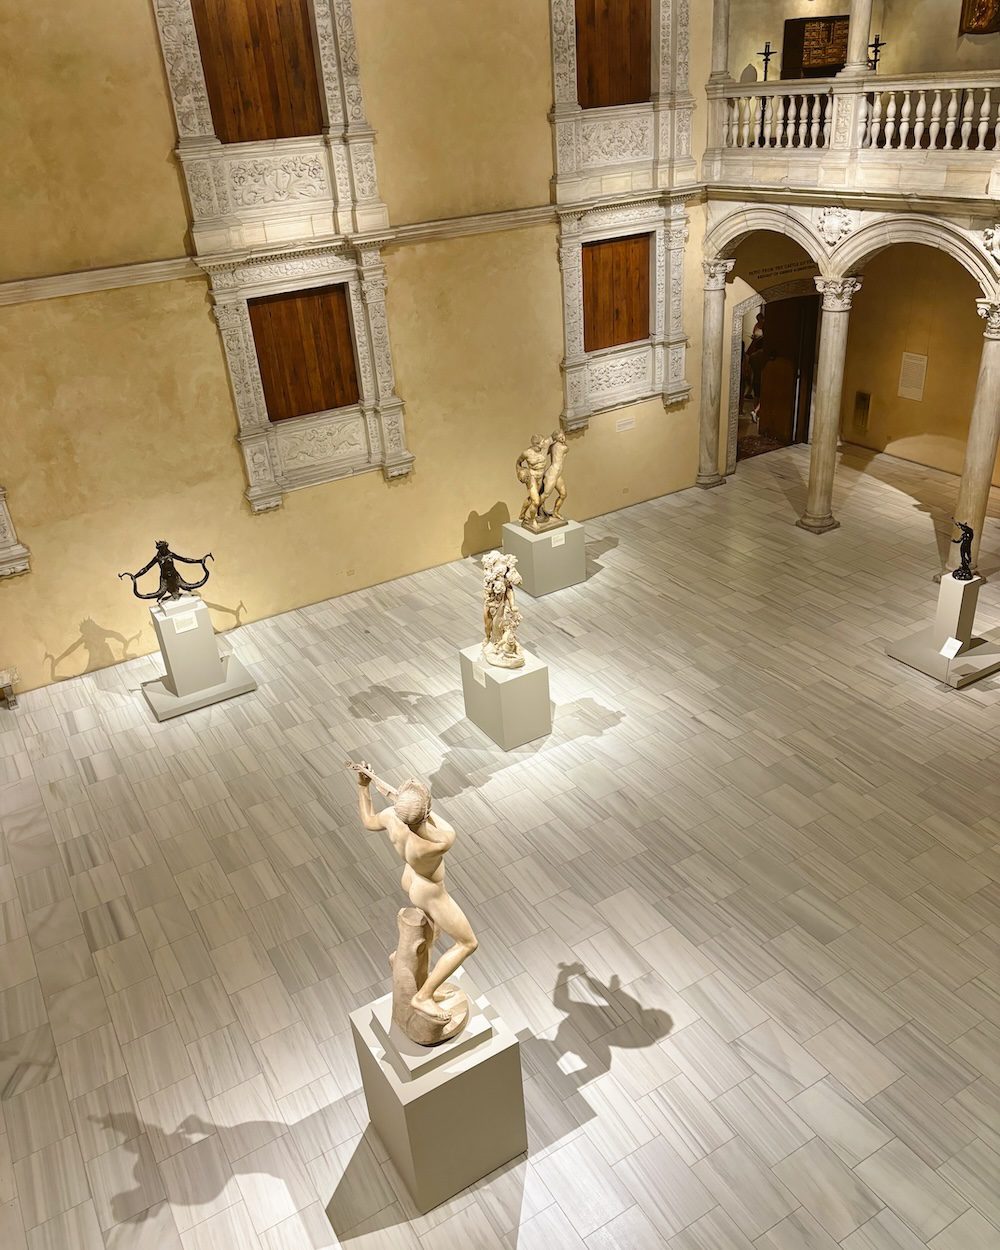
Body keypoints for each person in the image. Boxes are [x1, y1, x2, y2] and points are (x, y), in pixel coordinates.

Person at [352, 763, 477, 1024]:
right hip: (430, 891)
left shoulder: (390, 817)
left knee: (432, 934)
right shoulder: (440, 842)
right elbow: (436, 825)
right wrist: (417, 806)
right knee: (467, 943)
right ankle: (423, 996)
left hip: (411, 878)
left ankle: (406, 965)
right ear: (425, 812)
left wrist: (364, 787)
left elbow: (367, 820)